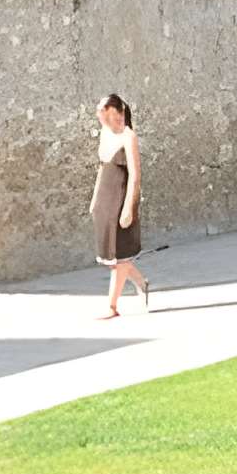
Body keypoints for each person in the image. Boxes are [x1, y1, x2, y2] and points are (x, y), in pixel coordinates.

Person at [92, 94, 149, 318]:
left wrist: (129, 208)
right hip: (105, 199)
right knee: (110, 256)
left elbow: (135, 175)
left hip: (122, 197)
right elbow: (102, 167)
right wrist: (95, 199)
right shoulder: (105, 133)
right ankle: (142, 283)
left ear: (117, 111)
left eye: (105, 112)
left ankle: (112, 306)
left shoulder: (128, 136)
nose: (102, 117)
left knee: (121, 255)